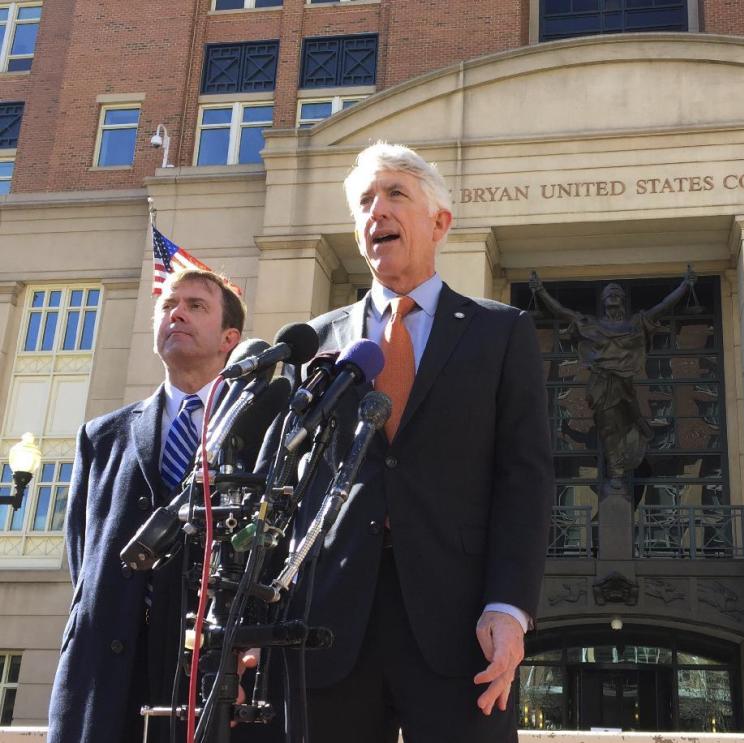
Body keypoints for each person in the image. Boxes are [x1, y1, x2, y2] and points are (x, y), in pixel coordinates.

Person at [293, 142, 554, 743]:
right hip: (331, 625)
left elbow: (526, 478)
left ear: (440, 223)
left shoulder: (500, 333)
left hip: (459, 626)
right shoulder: (317, 343)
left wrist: (510, 606)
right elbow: (293, 486)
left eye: (394, 195)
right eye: (364, 202)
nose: (375, 211)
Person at [47, 269, 245, 743]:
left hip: (207, 680)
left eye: (196, 306)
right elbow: (83, 557)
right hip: (106, 683)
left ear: (230, 339)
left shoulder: (261, 434)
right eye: (168, 305)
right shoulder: (102, 436)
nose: (176, 312)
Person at [529, 268, 696, 486]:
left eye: (617, 293)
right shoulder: (591, 325)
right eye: (609, 293)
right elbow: (561, 311)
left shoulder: (634, 323)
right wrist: (540, 291)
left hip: (625, 382)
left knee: (629, 420)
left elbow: (662, 307)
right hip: (601, 383)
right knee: (608, 427)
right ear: (604, 300)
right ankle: (616, 471)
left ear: (623, 300)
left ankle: (638, 426)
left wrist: (685, 286)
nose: (613, 295)